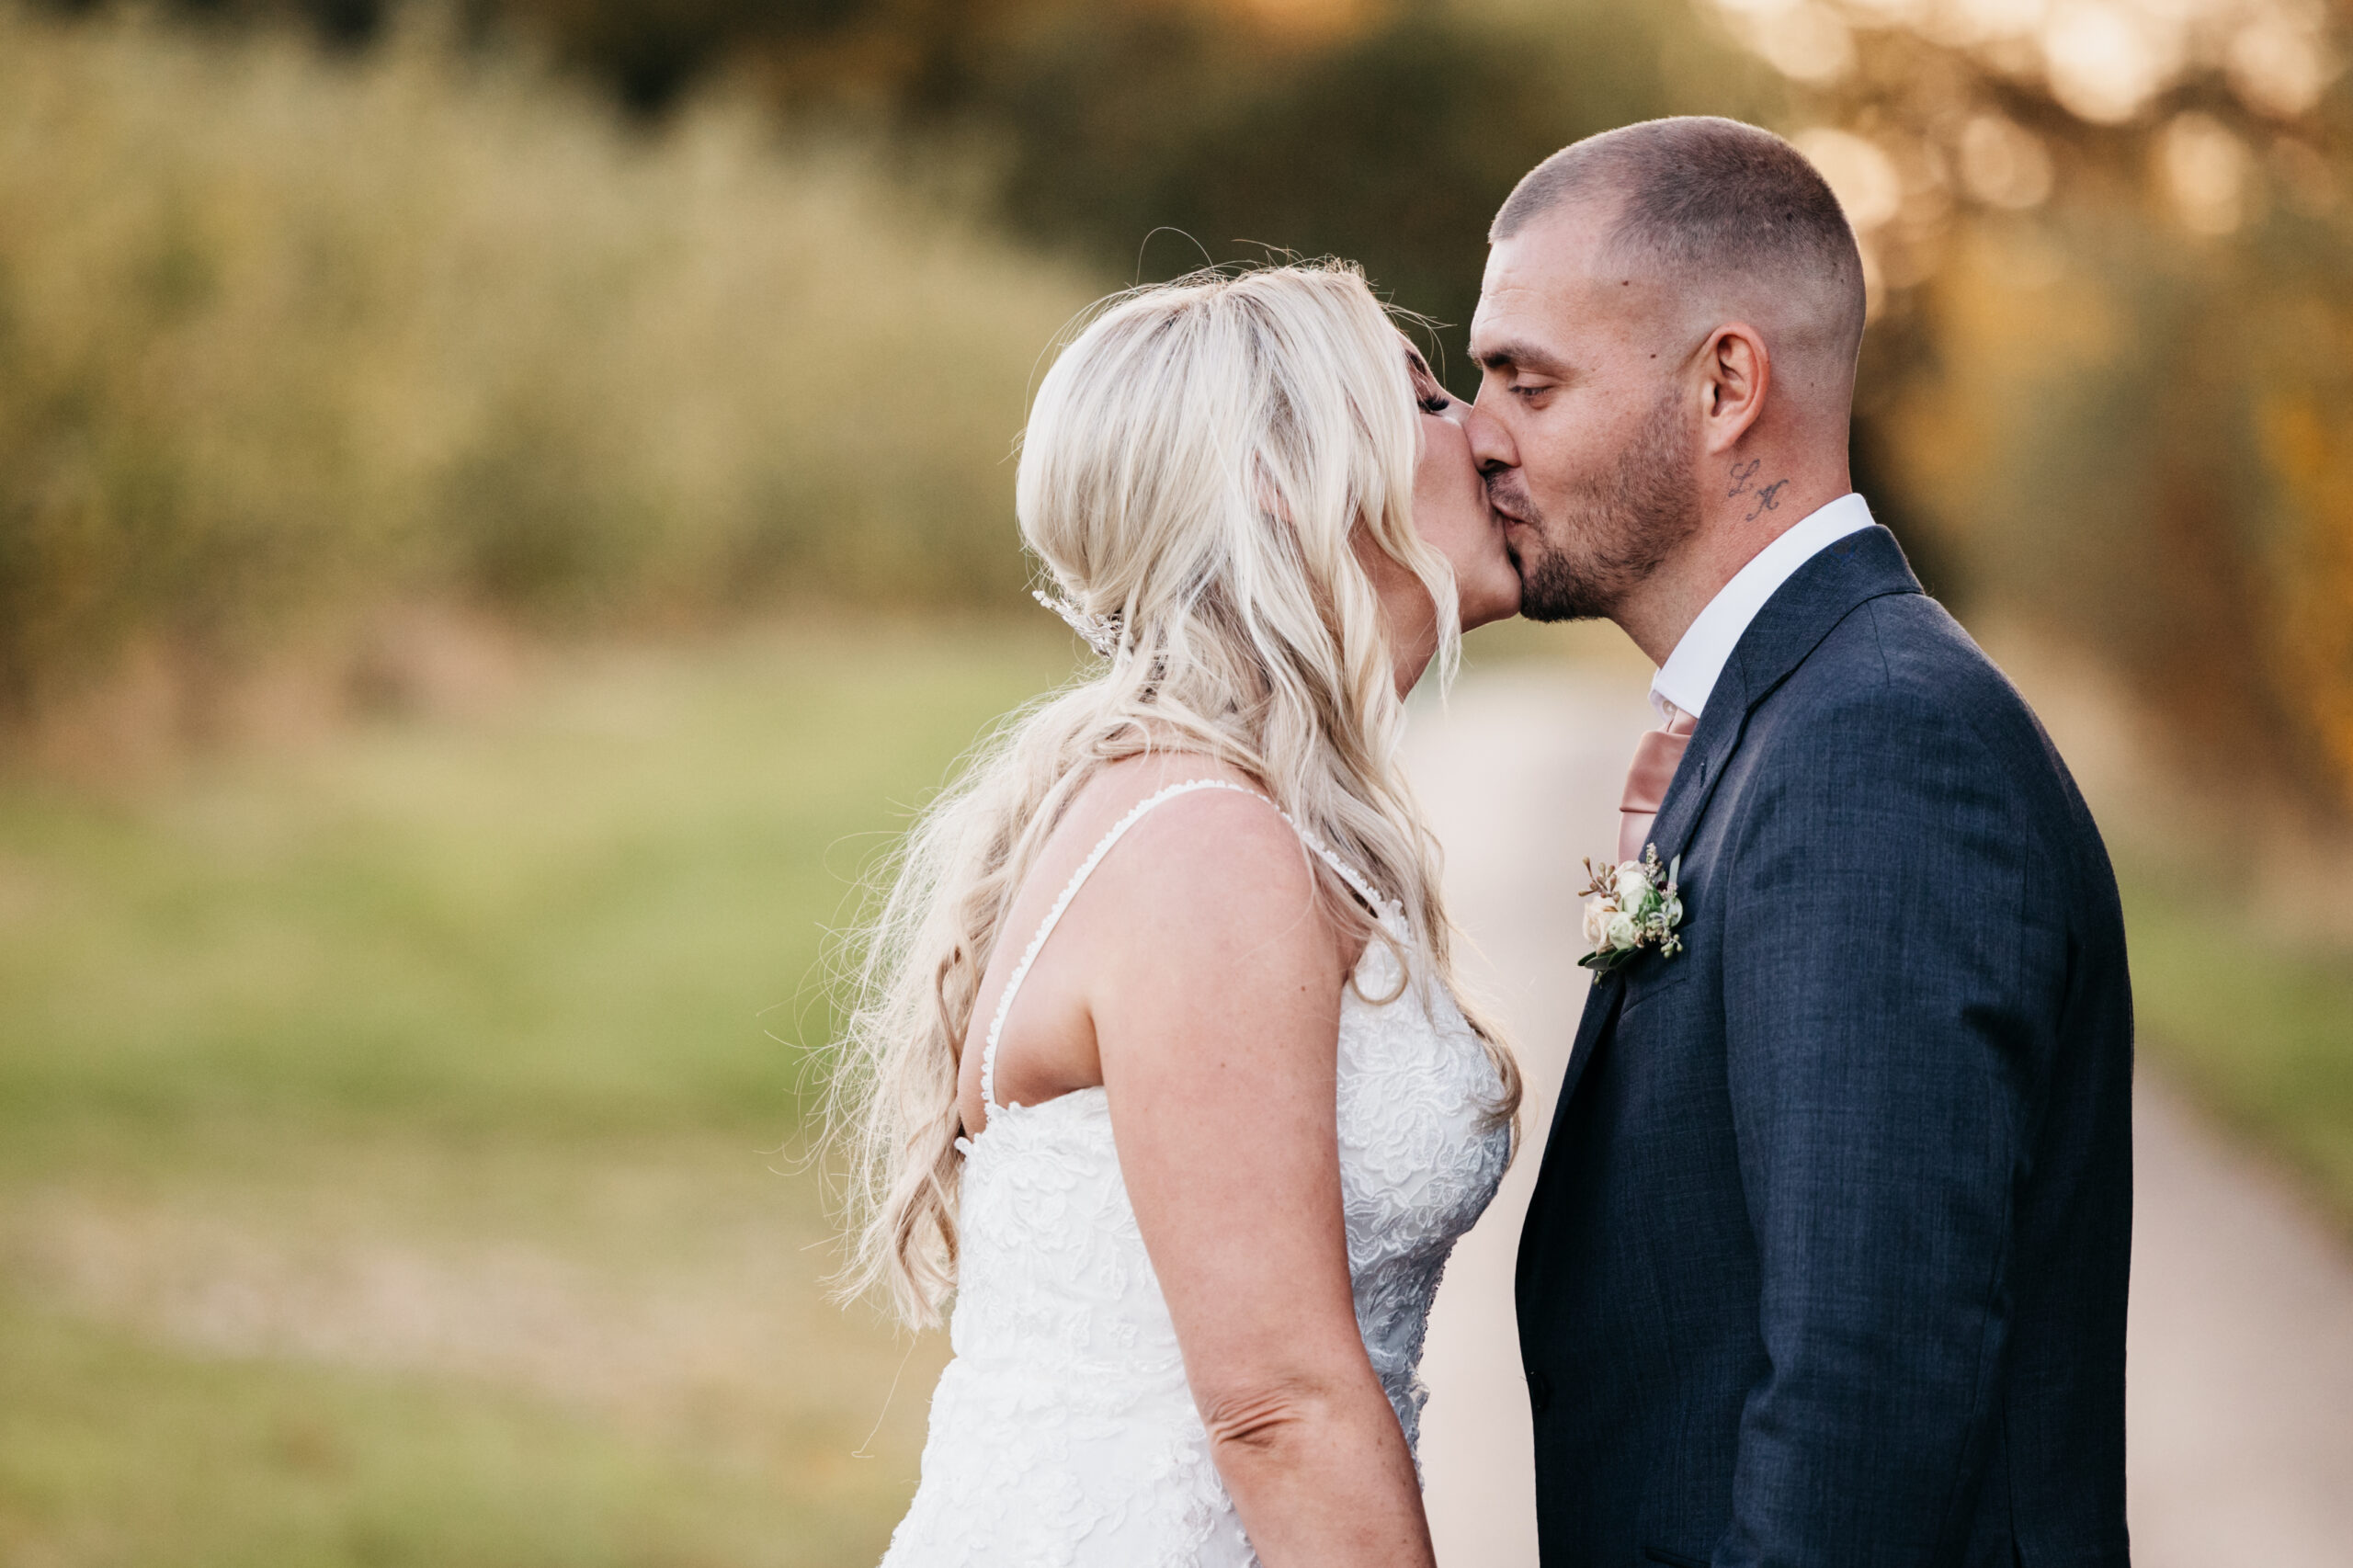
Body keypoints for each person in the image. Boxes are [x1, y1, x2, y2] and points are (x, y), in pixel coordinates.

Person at [1481, 117, 2134, 1567]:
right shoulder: (1802, 704)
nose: (1481, 435)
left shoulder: (1877, 744)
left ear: (1725, 384)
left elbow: (1869, 1381)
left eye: (1528, 380)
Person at [833, 262, 1525, 1566]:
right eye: (1428, 400)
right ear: (1285, 473)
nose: (1484, 433)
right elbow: (1280, 1407)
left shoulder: (1236, 818)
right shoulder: (1208, 848)